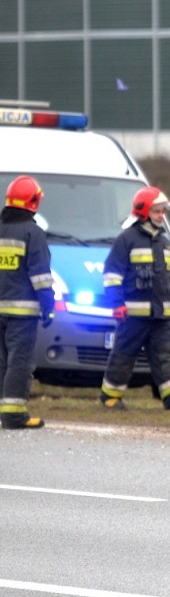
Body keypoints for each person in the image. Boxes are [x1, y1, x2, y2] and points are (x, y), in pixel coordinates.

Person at [100, 186, 170, 411]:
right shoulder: (126, 240)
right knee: (123, 355)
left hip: (160, 316)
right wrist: (117, 305)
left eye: (163, 211)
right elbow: (112, 276)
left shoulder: (166, 245)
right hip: (132, 316)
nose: (161, 216)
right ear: (143, 212)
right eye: (157, 211)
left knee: (165, 356)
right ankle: (110, 396)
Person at [0, 176, 54, 429]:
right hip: (22, 314)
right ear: (34, 202)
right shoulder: (33, 234)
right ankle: (13, 414)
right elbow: (41, 277)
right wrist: (48, 307)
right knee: (19, 362)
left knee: (1, 362)